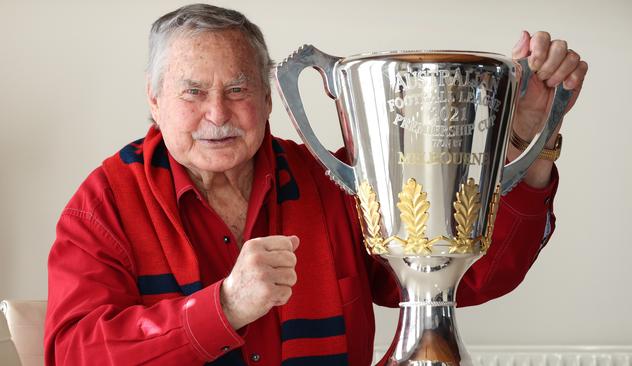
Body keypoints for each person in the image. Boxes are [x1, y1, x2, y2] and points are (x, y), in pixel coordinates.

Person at [44, 4, 588, 366]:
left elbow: (466, 280)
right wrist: (223, 309)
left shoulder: (335, 183)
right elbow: (71, 353)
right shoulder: (104, 205)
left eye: (238, 88)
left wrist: (523, 143)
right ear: (153, 99)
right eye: (191, 92)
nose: (217, 113)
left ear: (268, 97)